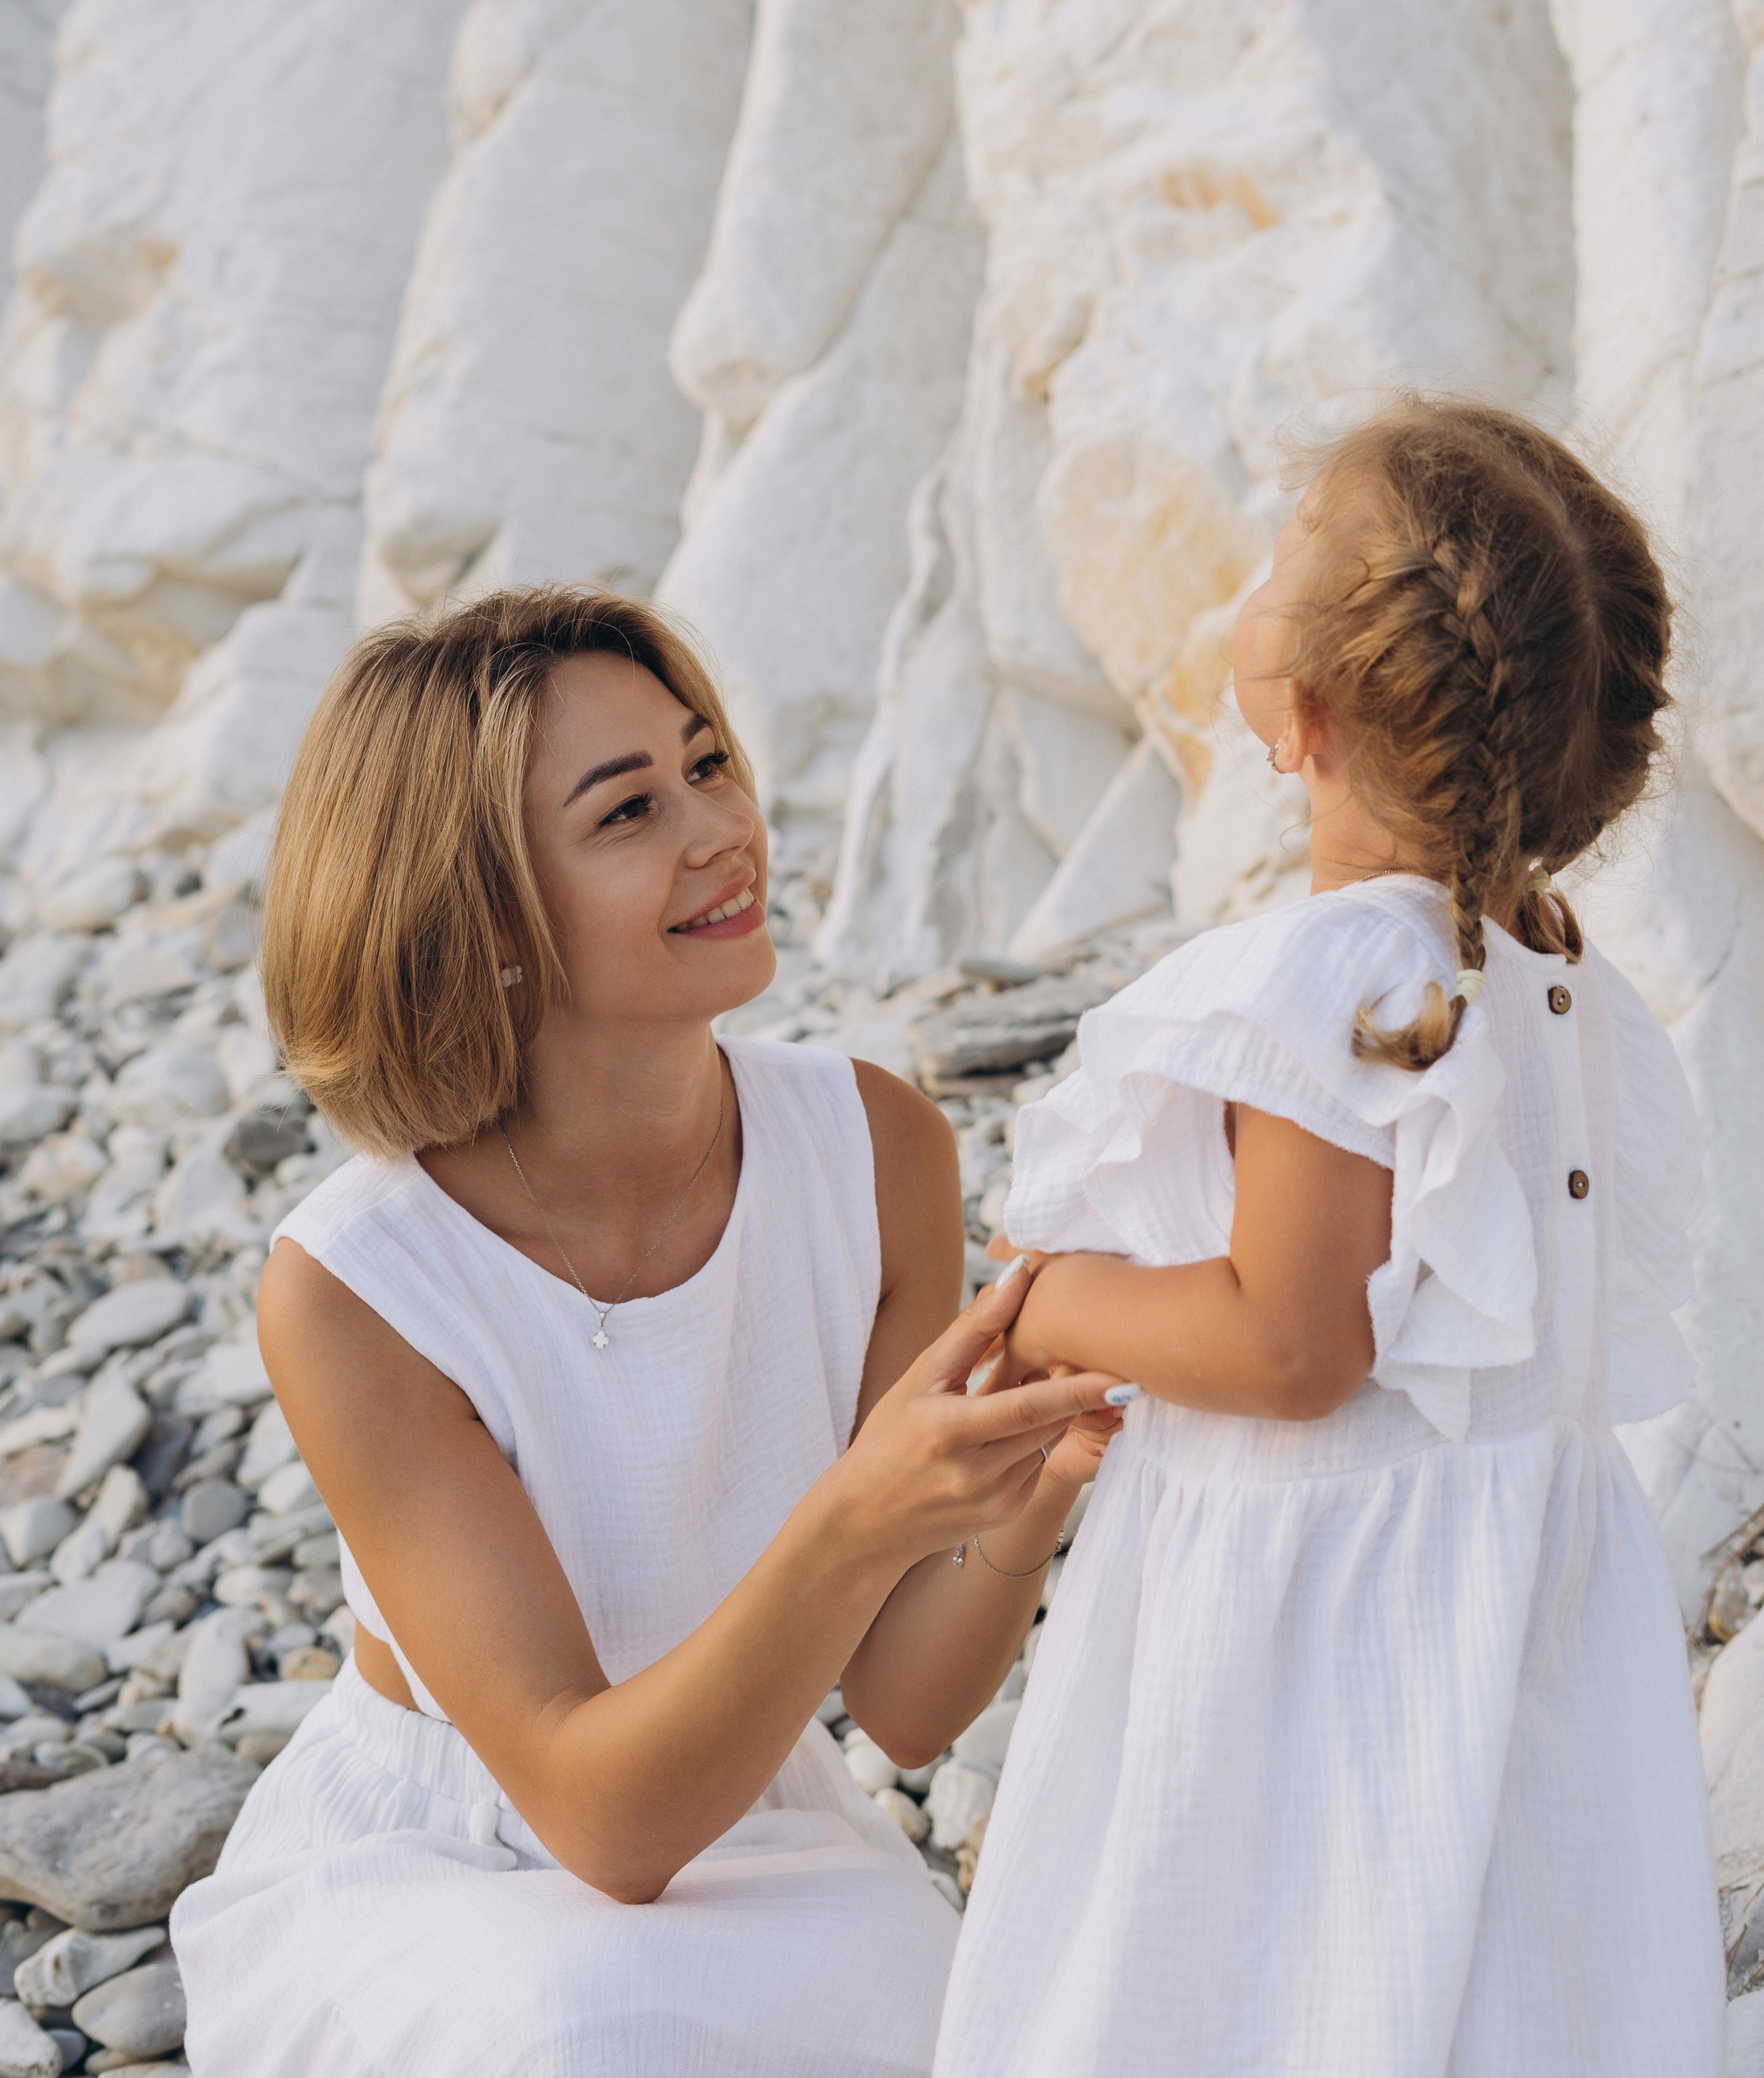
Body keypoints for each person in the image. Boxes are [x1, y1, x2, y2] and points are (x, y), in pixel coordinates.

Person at [170, 588, 1117, 2078]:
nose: (716, 831)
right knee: (593, 2030)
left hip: (751, 1808)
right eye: (625, 813)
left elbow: (905, 1706)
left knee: (961, 2010)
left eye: (708, 767)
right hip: (457, 1853)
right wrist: (859, 1516)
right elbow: (594, 1821)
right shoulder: (359, 1283)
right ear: (479, 909)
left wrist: (1037, 1481)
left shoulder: (877, 1148)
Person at [936, 396, 1726, 2077]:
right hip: (1514, 1605)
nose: (1266, 540)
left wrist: (1056, 1296)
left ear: (1296, 713)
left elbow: (1292, 1350)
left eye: (1290, 540)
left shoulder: (1331, 983)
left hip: (1317, 1636)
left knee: (1262, 1978)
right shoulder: (1552, 983)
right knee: (1507, 1984)